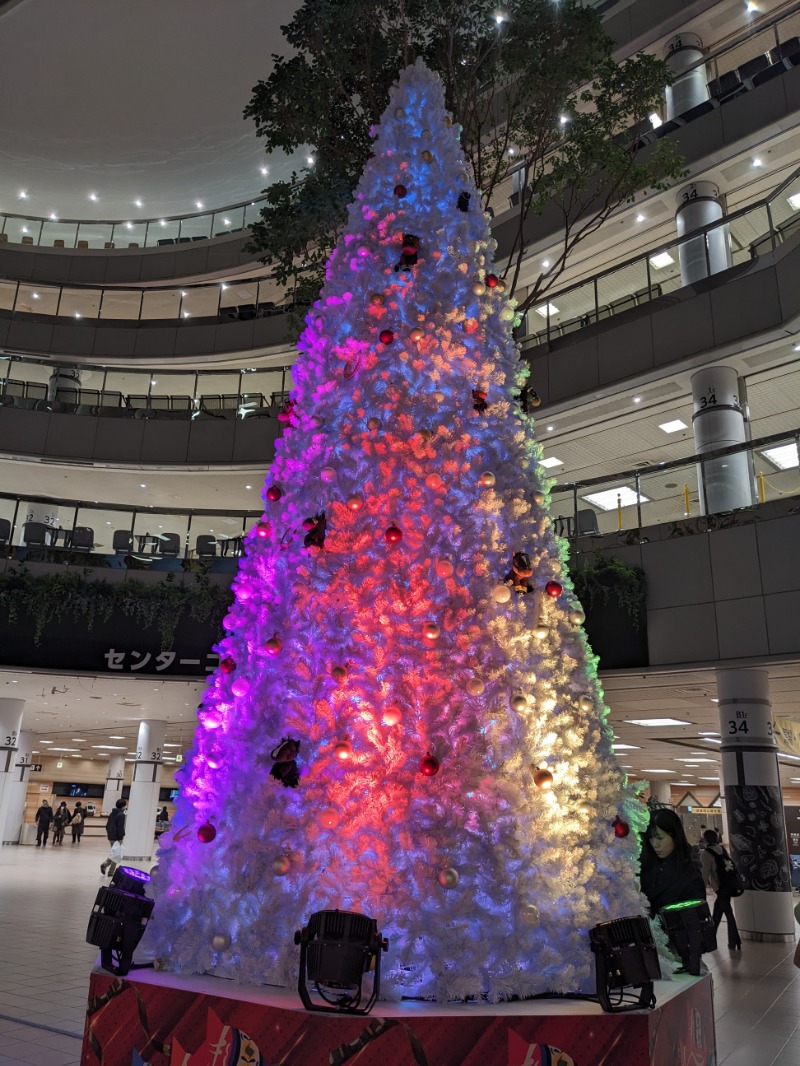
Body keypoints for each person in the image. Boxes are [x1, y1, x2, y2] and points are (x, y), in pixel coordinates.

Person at [640, 809, 705, 916]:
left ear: (675, 837)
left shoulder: (690, 876)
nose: (655, 844)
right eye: (651, 838)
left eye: (660, 838)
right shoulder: (644, 867)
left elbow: (695, 922)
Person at [701, 829, 742, 950]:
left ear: (705, 839)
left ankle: (734, 941)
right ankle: (710, 941)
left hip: (720, 888)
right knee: (717, 915)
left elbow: (704, 873)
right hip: (729, 886)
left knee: (728, 914)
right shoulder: (722, 849)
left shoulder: (706, 853)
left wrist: (701, 889)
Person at [101, 799, 127, 876]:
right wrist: (121, 837)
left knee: (115, 853)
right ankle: (109, 870)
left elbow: (107, 825)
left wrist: (109, 833)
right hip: (116, 837)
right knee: (116, 854)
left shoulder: (112, 813)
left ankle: (106, 867)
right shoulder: (121, 815)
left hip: (111, 836)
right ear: (123, 806)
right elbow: (120, 827)